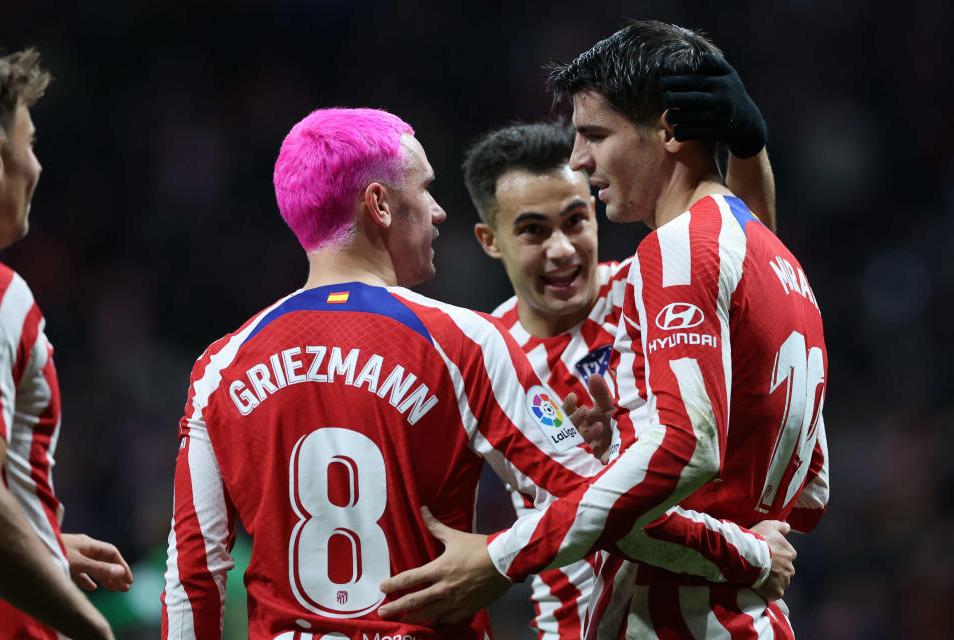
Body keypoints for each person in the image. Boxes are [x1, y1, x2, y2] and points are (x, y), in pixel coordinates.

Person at [161, 107, 791, 640]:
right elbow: (594, 501)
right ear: (379, 204)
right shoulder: (462, 340)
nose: (437, 213)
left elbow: (194, 570)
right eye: (424, 190)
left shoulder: (218, 368)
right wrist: (753, 555)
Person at [380, 20, 829, 639]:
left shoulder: (667, 261)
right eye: (534, 230)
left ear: (669, 129)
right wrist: (744, 542)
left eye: (595, 135)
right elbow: (807, 490)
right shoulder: (778, 263)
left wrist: (498, 557)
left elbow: (681, 452)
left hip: (673, 616)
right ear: (492, 242)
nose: (580, 157)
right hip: (696, 611)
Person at [463, 83, 777, 638]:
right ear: (491, 241)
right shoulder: (488, 355)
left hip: (696, 602)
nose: (562, 248)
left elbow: (746, 266)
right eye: (533, 230)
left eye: (575, 220)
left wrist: (748, 147)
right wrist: (750, 552)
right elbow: (592, 503)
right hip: (579, 621)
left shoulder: (645, 283)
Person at [0, 47, 131, 640]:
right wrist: (88, 630)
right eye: (31, 145)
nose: (39, 167)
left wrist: (39, 541)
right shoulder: (0, 296)